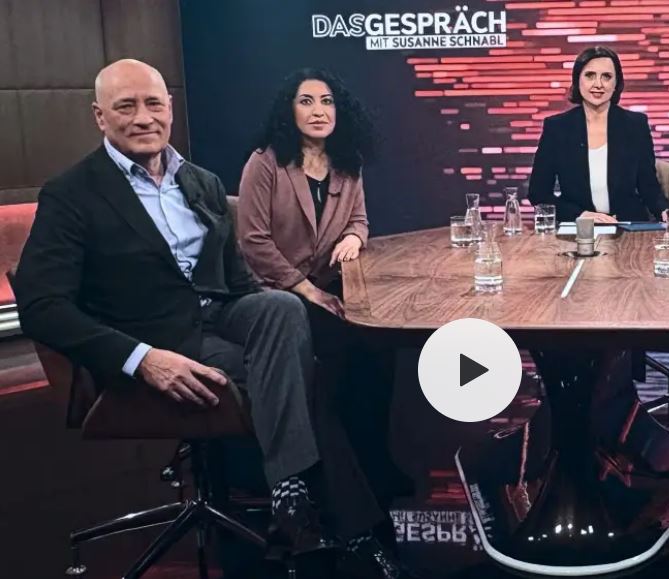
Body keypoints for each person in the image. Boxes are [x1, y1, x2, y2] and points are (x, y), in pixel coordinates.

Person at [12, 59, 415, 578]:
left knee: (281, 309)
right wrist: (142, 359)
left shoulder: (199, 181)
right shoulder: (72, 194)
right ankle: (343, 526)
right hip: (153, 337)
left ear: (170, 108)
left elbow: (238, 280)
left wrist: (281, 314)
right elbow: (41, 306)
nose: (143, 117)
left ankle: (293, 496)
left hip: (218, 317)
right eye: (126, 106)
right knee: (307, 380)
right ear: (99, 116)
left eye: (153, 104)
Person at [237, 68, 412, 520]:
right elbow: (253, 241)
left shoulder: (347, 163)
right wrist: (305, 290)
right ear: (289, 111)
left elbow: (359, 219)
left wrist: (354, 236)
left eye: (327, 101)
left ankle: (377, 463)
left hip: (326, 287)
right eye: (307, 101)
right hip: (274, 292)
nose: (319, 111)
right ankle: (331, 483)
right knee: (341, 348)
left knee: (381, 345)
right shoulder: (266, 162)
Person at [527, 46, 669, 225]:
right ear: (577, 80)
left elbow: (649, 187)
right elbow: (538, 193)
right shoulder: (557, 128)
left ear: (616, 83)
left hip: (626, 228)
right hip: (579, 229)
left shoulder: (635, 125)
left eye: (606, 76)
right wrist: (580, 215)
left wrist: (665, 211)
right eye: (590, 75)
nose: (598, 84)